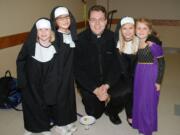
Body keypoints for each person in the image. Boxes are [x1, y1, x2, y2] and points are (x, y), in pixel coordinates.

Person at [74, 5, 122, 125]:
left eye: (101, 19)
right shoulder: (79, 40)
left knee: (126, 91)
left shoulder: (114, 38)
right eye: (93, 19)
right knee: (95, 114)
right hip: (90, 84)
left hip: (108, 81)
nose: (97, 23)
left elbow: (117, 65)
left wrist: (106, 86)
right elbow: (78, 71)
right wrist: (95, 90)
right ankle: (89, 100)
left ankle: (112, 110)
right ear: (88, 21)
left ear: (106, 21)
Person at [17, 18, 58, 135]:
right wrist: (22, 80)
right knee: (30, 105)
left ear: (51, 32)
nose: (44, 32)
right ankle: (29, 128)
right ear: (36, 31)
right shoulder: (29, 46)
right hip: (30, 83)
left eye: (46, 29)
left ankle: (44, 127)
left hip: (46, 83)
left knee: (44, 105)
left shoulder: (54, 48)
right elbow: (20, 61)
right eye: (40, 29)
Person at [132, 18, 165, 135]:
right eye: (138, 28)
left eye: (144, 28)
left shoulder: (152, 44)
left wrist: (158, 81)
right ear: (135, 29)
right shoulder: (136, 41)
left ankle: (147, 129)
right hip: (139, 72)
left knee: (147, 102)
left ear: (149, 31)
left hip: (150, 73)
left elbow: (162, 62)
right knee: (139, 100)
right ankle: (140, 124)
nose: (141, 31)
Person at [50, 6, 77, 135]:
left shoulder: (71, 34)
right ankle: (60, 124)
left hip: (69, 73)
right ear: (55, 21)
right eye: (60, 18)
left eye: (66, 17)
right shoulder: (54, 36)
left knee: (70, 97)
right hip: (57, 74)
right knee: (60, 99)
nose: (65, 20)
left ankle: (69, 120)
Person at [113, 16, 139, 126]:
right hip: (120, 77)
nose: (128, 31)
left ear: (135, 29)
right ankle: (111, 111)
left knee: (134, 90)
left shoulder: (141, 42)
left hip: (135, 76)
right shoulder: (117, 45)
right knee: (128, 91)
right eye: (124, 28)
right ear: (120, 30)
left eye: (130, 28)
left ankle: (130, 114)